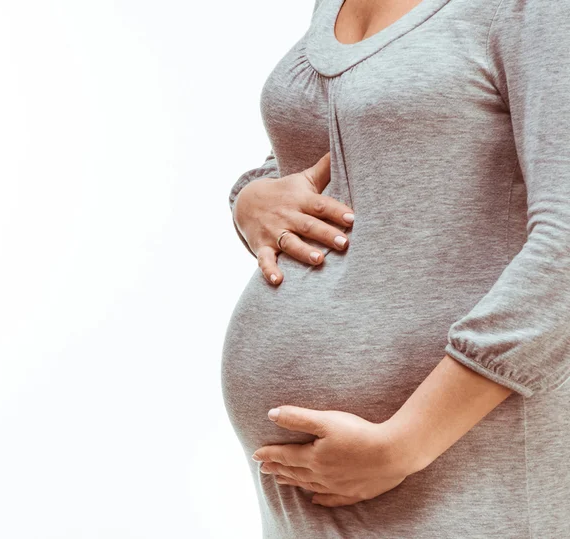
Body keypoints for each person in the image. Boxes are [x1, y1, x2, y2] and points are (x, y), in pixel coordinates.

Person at [221, 0, 570, 537]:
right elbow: (347, 154)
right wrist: (250, 200)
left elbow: (565, 240)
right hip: (308, 497)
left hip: (455, 462)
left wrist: (408, 442)